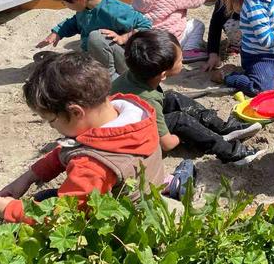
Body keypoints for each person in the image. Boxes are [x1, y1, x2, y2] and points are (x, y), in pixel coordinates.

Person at [0, 52, 165, 223]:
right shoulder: (131, 116)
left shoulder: (91, 166)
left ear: (76, 112)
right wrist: (29, 177)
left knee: (42, 202)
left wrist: (11, 210)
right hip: (148, 205)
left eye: (51, 120)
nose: (51, 126)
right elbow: (72, 148)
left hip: (121, 226)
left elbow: (63, 218)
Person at [112, 29, 265, 166]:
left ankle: (222, 128)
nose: (183, 60)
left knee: (172, 97)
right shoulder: (148, 100)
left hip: (131, 120)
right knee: (179, 120)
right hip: (132, 139)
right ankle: (231, 152)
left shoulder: (134, 75)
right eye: (180, 60)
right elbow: (167, 144)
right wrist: (187, 135)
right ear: (163, 75)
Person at [36, 0, 152, 79]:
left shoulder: (114, 10)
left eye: (63, 3)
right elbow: (76, 22)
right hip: (98, 56)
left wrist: (123, 38)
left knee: (96, 37)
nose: (64, 5)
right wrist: (58, 32)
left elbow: (146, 26)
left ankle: (111, 80)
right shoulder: (85, 8)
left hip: (125, 62)